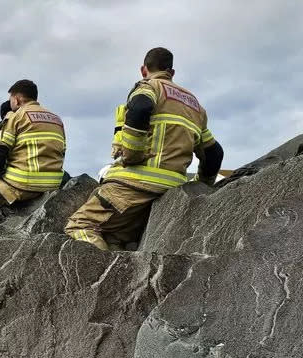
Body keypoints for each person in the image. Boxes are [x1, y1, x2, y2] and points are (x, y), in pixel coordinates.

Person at [65, 47, 224, 250]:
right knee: (114, 238)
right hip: (172, 189)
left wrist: (132, 155)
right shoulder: (195, 106)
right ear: (172, 72)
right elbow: (214, 153)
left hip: (133, 185)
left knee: (80, 226)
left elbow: (140, 108)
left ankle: (101, 279)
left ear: (143, 70)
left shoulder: (149, 87)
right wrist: (201, 187)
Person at [0, 80, 66, 217]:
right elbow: (62, 151)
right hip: (52, 184)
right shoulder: (56, 119)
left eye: (11, 99)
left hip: (21, 184)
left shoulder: (15, 117)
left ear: (17, 99)